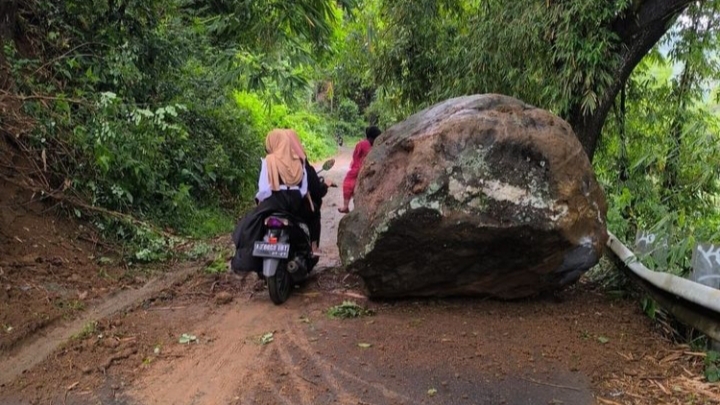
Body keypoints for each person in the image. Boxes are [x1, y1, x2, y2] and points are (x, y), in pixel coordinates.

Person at [230, 129, 310, 275]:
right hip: (295, 200)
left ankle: (245, 264)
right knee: (303, 223)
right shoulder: (298, 160)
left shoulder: (269, 160)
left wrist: (260, 202)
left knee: (250, 224)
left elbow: (264, 189)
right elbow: (303, 189)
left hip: (276, 200)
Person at [285, 130, 330, 254]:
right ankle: (314, 247)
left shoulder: (272, 161)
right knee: (314, 212)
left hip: (273, 205)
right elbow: (315, 190)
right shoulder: (301, 163)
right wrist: (325, 185)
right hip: (295, 207)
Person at [338, 126, 382, 213]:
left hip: (359, 168)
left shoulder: (363, 143)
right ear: (372, 138)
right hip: (362, 168)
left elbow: (355, 156)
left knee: (347, 183)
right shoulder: (367, 144)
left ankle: (346, 206)